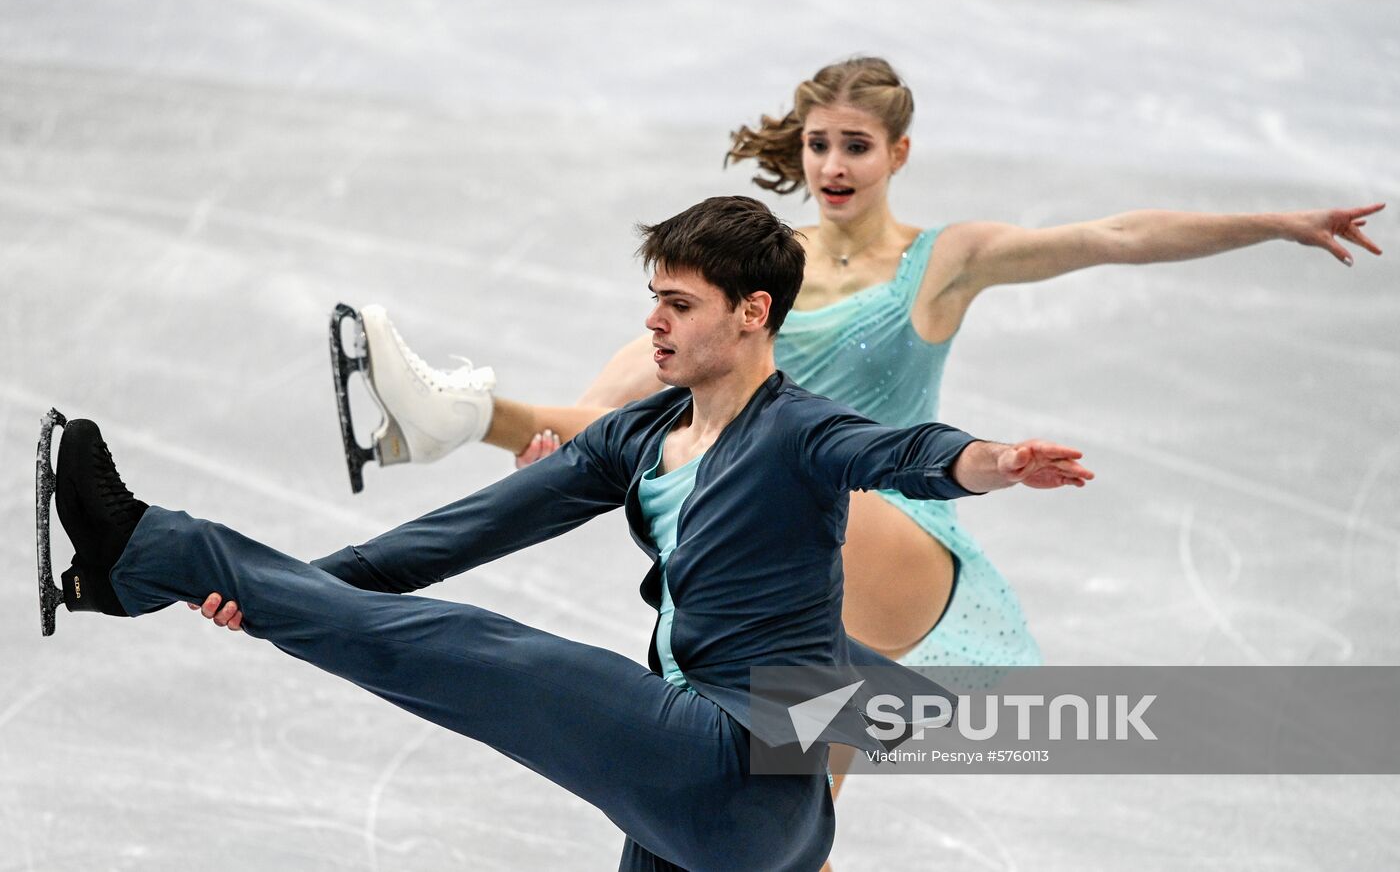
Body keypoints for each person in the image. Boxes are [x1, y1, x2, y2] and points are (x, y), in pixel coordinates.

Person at [46, 196, 1092, 871]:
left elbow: (907, 452)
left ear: (751, 312)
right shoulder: (637, 437)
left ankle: (147, 549)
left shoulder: (800, 431)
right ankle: (139, 577)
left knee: (472, 649)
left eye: (680, 304)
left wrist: (991, 461)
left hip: (734, 769)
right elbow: (456, 535)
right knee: (442, 627)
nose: (654, 324)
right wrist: (286, 592)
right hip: (727, 816)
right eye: (653, 301)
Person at [331, 56, 1385, 691]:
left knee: (772, 464)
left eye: (857, 146)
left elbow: (1111, 235)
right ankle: (454, 416)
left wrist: (1272, 223)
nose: (832, 165)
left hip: (890, 525)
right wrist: (562, 443)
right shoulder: (758, 271)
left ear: (898, 154)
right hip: (781, 547)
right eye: (819, 144)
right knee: (786, 802)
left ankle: (456, 416)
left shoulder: (944, 259)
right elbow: (619, 406)